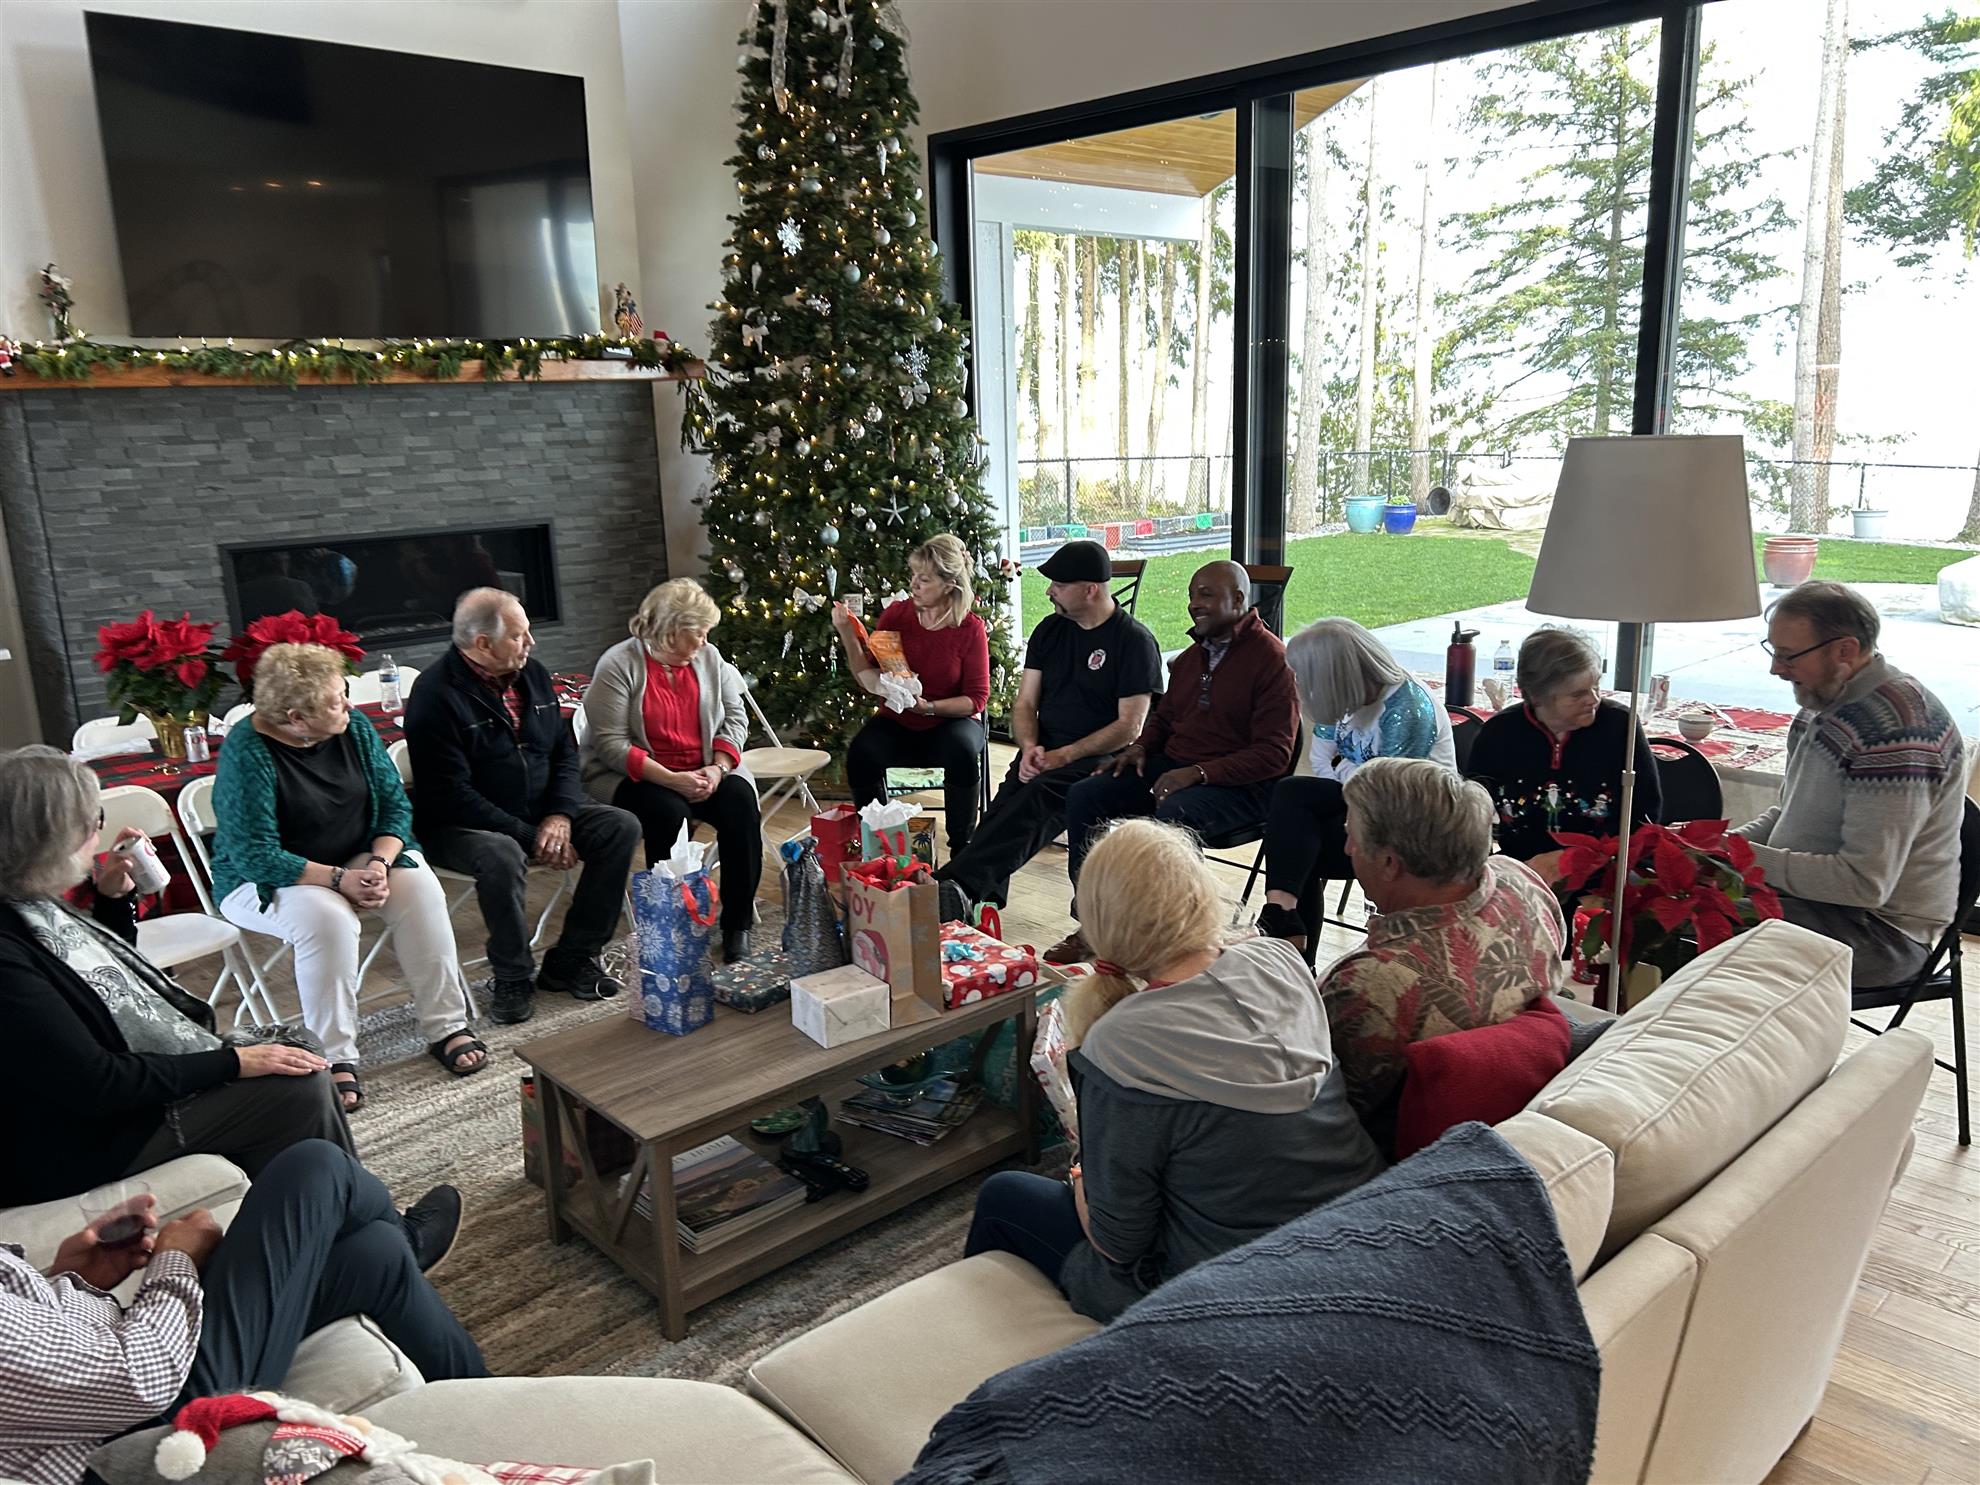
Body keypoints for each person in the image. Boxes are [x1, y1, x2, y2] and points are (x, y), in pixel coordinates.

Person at [962, 819, 1382, 1323]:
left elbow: (1118, 1243)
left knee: (1006, 1195)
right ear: (1200, 892)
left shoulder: (1119, 1043)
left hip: (1236, 1297)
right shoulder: (1279, 958)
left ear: (1100, 923)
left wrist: (1081, 1173)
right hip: (1362, 1239)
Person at [0, 1140, 483, 1485]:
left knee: (372, 1255)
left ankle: (493, 1412)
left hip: (97, 1397)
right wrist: (177, 1260)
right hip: (132, 1444)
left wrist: (69, 1280)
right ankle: (407, 1238)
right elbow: (137, 1379)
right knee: (313, 1167)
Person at [0, 748, 351, 1208]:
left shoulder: (26, 900)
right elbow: (97, 1083)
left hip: (100, 1104)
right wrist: (234, 1062)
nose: (97, 831)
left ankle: (311, 1210)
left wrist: (112, 903)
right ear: (52, 836)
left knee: (296, 1047)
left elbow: (98, 987)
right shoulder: (8, 951)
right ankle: (353, 1222)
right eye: (92, 819)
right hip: (74, 1143)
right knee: (298, 1089)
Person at [213, 643, 485, 1114]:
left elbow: (395, 805)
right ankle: (334, 1055)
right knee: (329, 920)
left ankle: (446, 1025)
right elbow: (255, 855)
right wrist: (339, 880)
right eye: (337, 700)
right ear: (296, 718)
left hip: (355, 857)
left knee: (420, 888)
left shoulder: (353, 727)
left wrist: (379, 864)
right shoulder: (247, 751)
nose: (349, 704)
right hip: (264, 878)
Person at [404, 589, 642, 1025]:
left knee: (620, 826)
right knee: (502, 853)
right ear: (482, 644)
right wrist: (531, 835)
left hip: (538, 811)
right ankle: (512, 975)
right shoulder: (435, 694)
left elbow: (564, 754)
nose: (531, 642)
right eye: (518, 635)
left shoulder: (532, 674)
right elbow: (450, 794)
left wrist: (560, 816)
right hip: (460, 824)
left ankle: (573, 956)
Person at [1054, 560, 1299, 961]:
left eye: (1206, 594)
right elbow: (1165, 719)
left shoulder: (1273, 661)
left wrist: (1200, 773)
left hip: (1243, 785)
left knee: (1176, 814)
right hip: (1179, 768)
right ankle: (1095, 924)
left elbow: (1274, 755)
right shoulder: (1191, 659)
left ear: (1238, 599)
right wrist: (1139, 748)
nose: (1193, 604)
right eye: (1191, 595)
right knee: (1087, 795)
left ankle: (1178, 938)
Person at [1319, 759, 1564, 1151]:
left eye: (1352, 836)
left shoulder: (1374, 984)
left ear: (1389, 862)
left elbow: (1322, 1116)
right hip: (1512, 1116)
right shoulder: (1521, 882)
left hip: (1405, 1155)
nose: (1347, 848)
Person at [1733, 581, 1968, 986]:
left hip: (1880, 933)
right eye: (1774, 652)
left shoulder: (1897, 732)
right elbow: (1786, 814)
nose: (1776, 668)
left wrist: (1741, 858)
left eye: (1789, 655)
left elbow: (1863, 884)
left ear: (1844, 650)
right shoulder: (1822, 702)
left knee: (1687, 924)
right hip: (1813, 904)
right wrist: (1713, 848)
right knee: (1652, 893)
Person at [936, 540, 1162, 913]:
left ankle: (954, 889)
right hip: (1046, 750)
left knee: (1038, 799)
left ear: (1090, 590)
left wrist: (1065, 755)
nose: (1049, 592)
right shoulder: (1050, 631)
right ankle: (976, 901)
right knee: (1001, 811)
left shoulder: (1134, 642)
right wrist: (1029, 747)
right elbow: (1025, 703)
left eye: (1058, 585)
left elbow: (1130, 727)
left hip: (1103, 758)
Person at [581, 579, 761, 963]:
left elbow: (735, 719)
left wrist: (718, 768)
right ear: (670, 630)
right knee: (669, 812)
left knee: (741, 802)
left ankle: (737, 924)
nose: (705, 641)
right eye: (698, 632)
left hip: (705, 768)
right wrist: (671, 780)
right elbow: (610, 745)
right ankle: (671, 927)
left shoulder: (709, 657)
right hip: (636, 775)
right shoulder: (618, 664)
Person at [1256, 618, 1455, 952]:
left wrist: (1345, 768)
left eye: (1307, 677)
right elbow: (1323, 763)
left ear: (1334, 676)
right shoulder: (1347, 699)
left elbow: (1386, 795)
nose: (1301, 685)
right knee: (1293, 805)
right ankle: (1282, 914)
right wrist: (1353, 772)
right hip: (1365, 802)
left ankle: (1291, 942)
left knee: (1299, 841)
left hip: (1414, 823)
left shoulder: (1407, 708)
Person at [834, 534, 992, 853]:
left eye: (925, 579)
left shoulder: (969, 628)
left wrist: (929, 707)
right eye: (914, 575)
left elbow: (976, 699)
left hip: (951, 720)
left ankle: (962, 848)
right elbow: (868, 674)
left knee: (962, 751)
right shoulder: (897, 615)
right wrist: (847, 635)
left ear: (949, 585)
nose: (914, 584)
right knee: (861, 753)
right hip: (899, 720)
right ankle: (881, 842)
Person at [1464, 626, 1661, 874]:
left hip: (1604, 872)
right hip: (1522, 870)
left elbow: (1645, 816)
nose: (1593, 699)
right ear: (1537, 697)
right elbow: (1472, 814)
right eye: (1577, 694)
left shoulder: (1620, 726)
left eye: (1596, 686)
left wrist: (1573, 860)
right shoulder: (1499, 732)